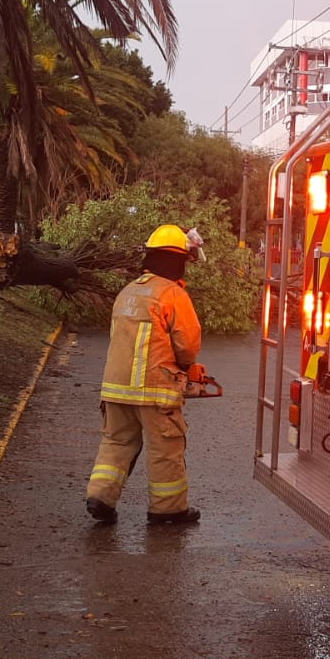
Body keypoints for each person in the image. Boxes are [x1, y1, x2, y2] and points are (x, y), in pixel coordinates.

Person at [84, 224, 204, 525]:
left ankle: (100, 497)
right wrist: (187, 370)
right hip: (155, 391)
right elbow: (187, 347)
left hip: (115, 389)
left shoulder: (128, 292)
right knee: (166, 449)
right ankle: (169, 509)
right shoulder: (172, 294)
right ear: (177, 260)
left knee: (116, 443)